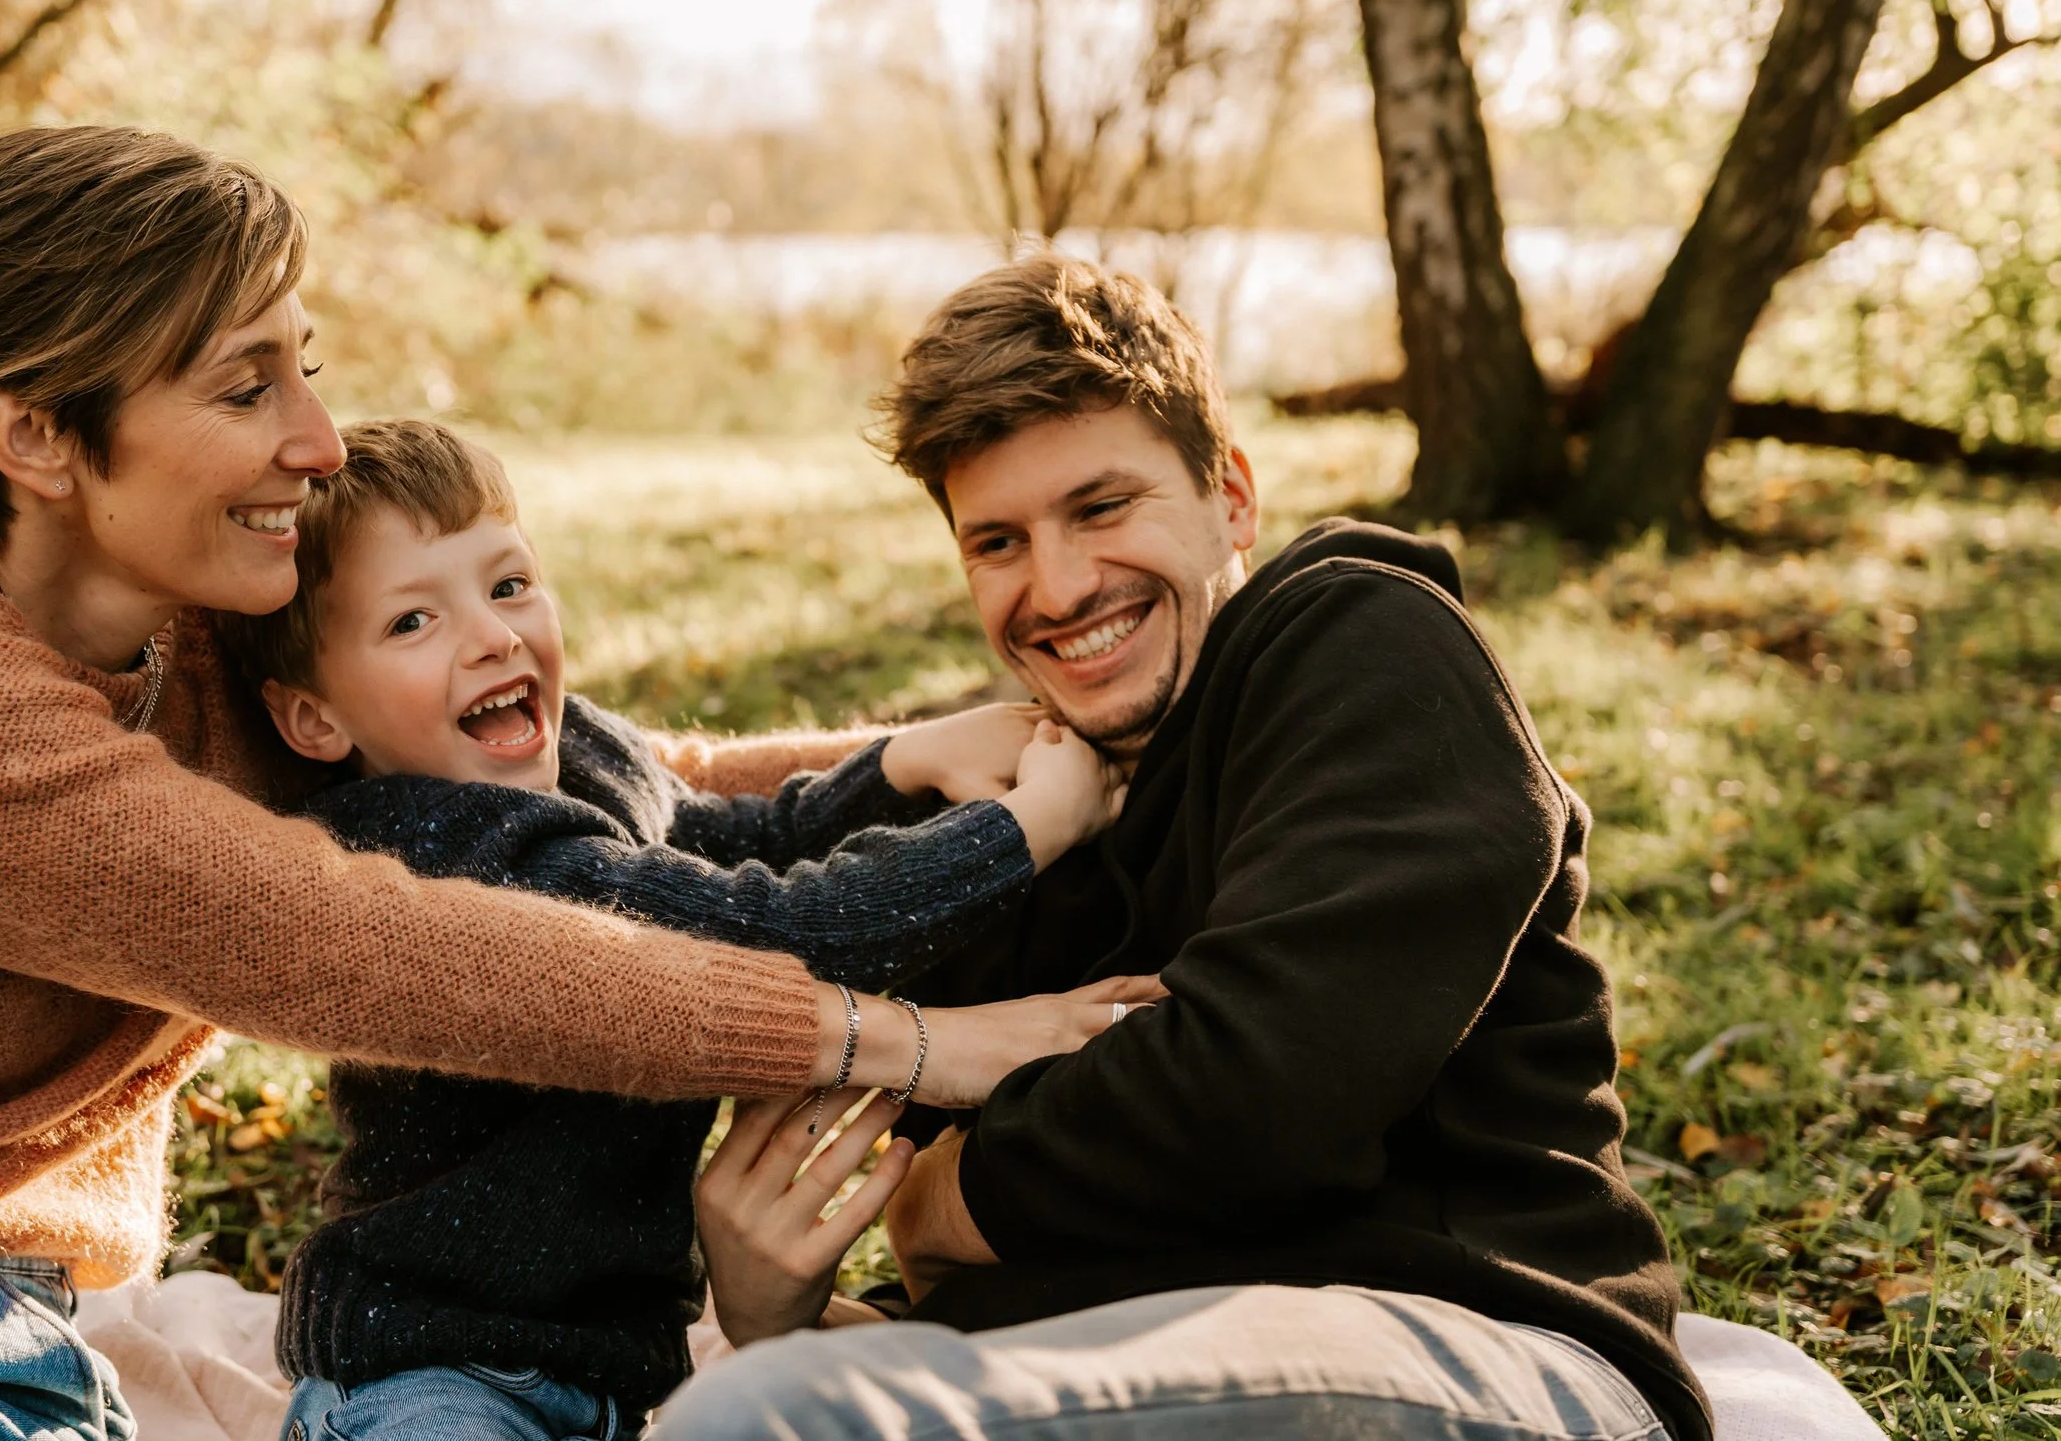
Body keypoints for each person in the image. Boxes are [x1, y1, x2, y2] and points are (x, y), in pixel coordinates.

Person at [0, 130, 1129, 1441]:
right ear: (34, 431)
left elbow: (545, 791)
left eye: (303, 371)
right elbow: (336, 937)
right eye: (245, 390)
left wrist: (885, 760)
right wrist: (890, 1033)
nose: (318, 443)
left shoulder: (219, 623)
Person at [662, 254, 1717, 1441]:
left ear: (1231, 497)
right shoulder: (1034, 801)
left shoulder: (1362, 642)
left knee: (762, 1420)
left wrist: (952, 1193)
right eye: (996, 541)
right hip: (1118, 1360)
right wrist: (778, 1312)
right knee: (693, 1386)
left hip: (1466, 1334)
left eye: (1102, 508)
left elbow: (1259, 1090)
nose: (1057, 587)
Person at [207, 417, 1139, 1441]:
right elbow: (775, 929)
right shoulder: (438, 845)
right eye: (412, 622)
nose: (491, 635)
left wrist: (896, 767)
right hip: (430, 1372)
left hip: (605, 1375)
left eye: (508, 583)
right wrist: (1024, 827)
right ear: (315, 720)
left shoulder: (576, 754)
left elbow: (729, 840)